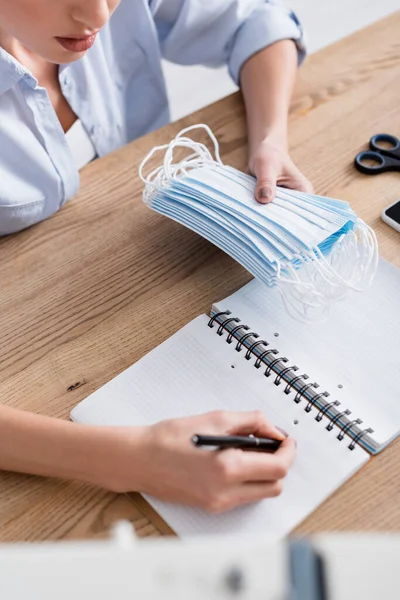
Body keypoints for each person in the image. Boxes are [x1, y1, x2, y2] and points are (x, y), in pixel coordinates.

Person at [0, 0, 310, 513]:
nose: (100, 17)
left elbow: (256, 19)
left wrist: (270, 141)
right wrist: (135, 460)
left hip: (150, 278)